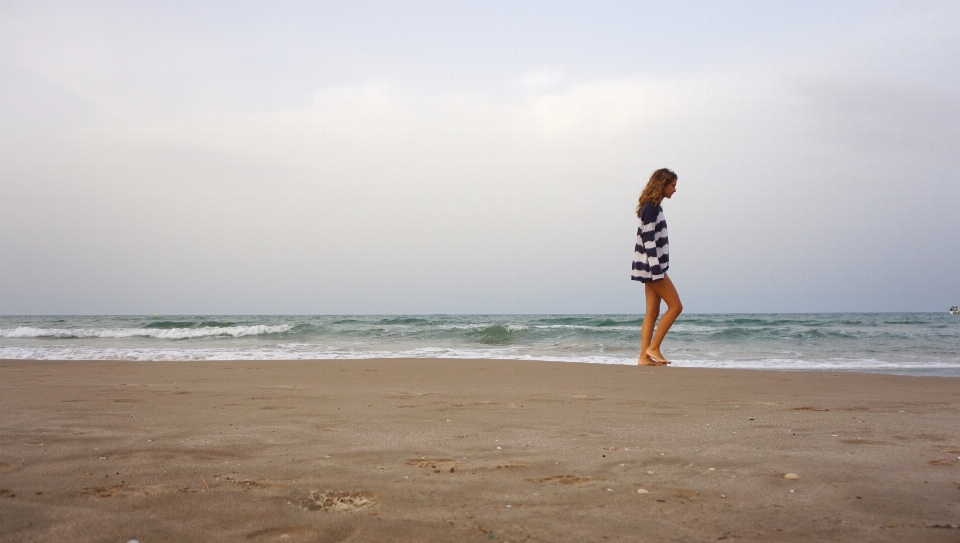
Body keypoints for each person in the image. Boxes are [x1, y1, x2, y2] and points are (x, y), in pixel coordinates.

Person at [631, 168, 682, 366]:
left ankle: (644, 357)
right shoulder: (651, 207)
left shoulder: (652, 207)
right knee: (676, 306)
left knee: (652, 313)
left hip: (647, 267)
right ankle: (654, 348)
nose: (674, 190)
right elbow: (648, 238)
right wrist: (657, 269)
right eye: (673, 185)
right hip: (652, 268)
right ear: (662, 184)